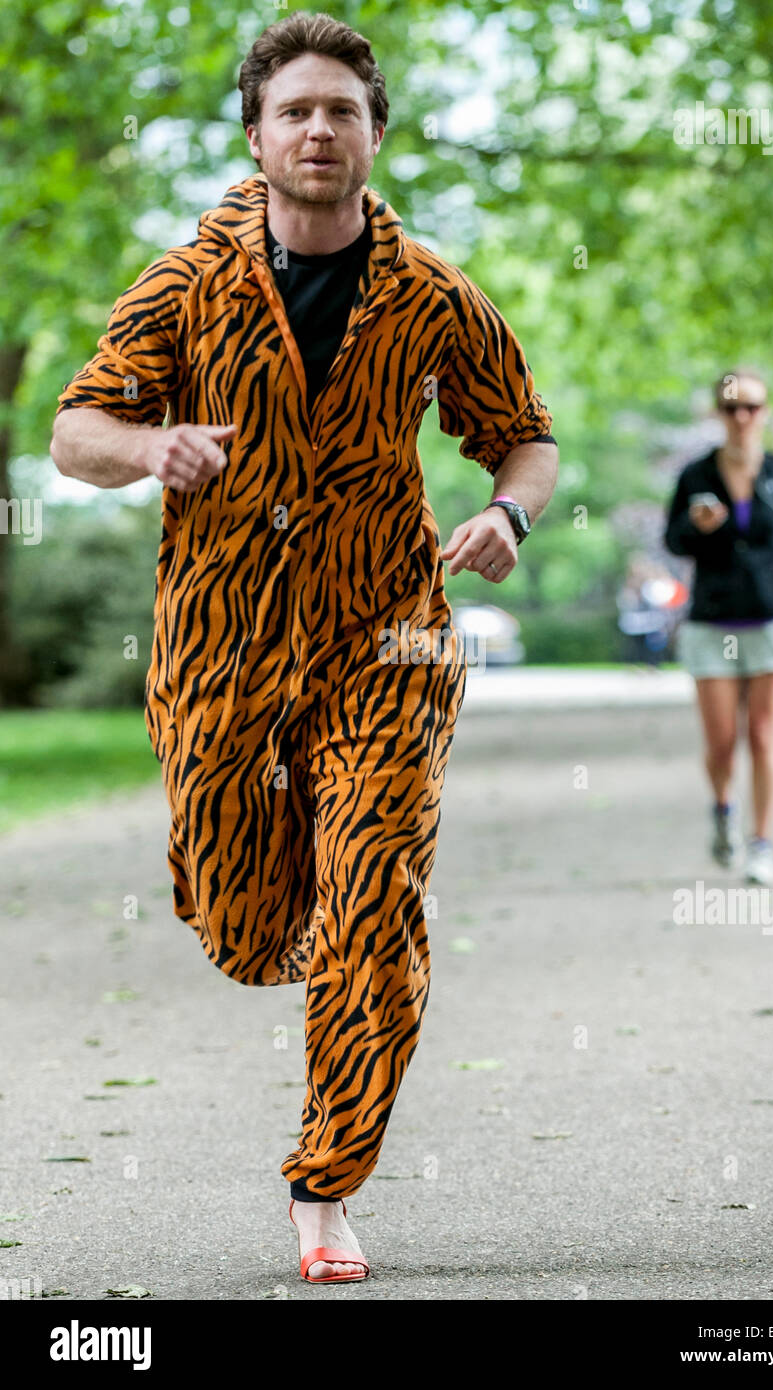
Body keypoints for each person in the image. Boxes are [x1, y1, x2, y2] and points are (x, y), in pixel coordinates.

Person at [49, 12, 558, 1284]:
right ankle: (284, 924)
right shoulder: (182, 285)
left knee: (371, 906)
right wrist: (149, 447)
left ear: (375, 135)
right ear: (256, 136)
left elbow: (526, 434)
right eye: (296, 111)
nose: (319, 128)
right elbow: (74, 432)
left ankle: (325, 1185)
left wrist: (504, 511)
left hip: (386, 645)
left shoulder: (435, 292)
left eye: (342, 109)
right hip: (221, 653)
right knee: (239, 926)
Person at [663, 368, 773, 886]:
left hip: (772, 618)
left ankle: (762, 845)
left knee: (762, 737)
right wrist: (698, 526)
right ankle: (722, 812)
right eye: (732, 407)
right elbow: (674, 540)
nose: (742, 417)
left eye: (752, 407)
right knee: (721, 742)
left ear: (765, 412)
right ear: (719, 412)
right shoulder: (695, 475)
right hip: (713, 620)